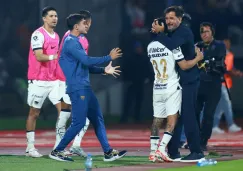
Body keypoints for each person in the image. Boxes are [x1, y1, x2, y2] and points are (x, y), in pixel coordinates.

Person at [49, 13, 127, 162]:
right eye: (84, 23)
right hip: (77, 88)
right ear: (76, 26)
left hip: (85, 87)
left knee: (97, 119)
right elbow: (86, 60)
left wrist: (103, 70)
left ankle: (108, 152)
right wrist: (108, 58)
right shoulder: (71, 42)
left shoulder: (77, 41)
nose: (87, 25)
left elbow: (85, 66)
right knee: (78, 122)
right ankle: (57, 150)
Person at [151, 6, 204, 162]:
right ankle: (173, 152)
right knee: (174, 116)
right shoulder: (171, 33)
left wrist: (160, 33)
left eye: (172, 18)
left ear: (180, 19)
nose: (168, 21)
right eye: (167, 19)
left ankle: (196, 151)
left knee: (188, 115)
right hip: (176, 80)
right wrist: (157, 32)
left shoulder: (184, 32)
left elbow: (172, 45)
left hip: (189, 80)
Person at [54, 10, 92, 157]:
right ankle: (67, 146)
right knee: (82, 117)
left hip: (67, 78)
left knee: (65, 111)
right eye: (86, 23)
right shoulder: (77, 39)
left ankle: (60, 145)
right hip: (72, 81)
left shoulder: (70, 36)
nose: (87, 25)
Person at [26, 6, 60, 158]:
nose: (55, 18)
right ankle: (30, 147)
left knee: (64, 111)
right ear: (44, 18)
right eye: (51, 16)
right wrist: (54, 57)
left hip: (53, 81)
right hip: (38, 80)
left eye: (56, 16)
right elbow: (39, 56)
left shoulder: (57, 35)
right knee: (34, 113)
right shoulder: (37, 35)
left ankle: (59, 147)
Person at [195, 22, 226, 151]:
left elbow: (218, 63)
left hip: (213, 85)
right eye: (202, 32)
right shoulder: (197, 46)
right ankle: (195, 140)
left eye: (207, 31)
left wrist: (203, 60)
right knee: (194, 113)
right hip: (199, 85)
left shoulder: (219, 45)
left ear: (212, 32)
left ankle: (203, 141)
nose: (204, 34)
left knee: (208, 114)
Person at [213, 38, 242, 134]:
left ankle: (214, 125)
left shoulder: (230, 54)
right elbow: (224, 69)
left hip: (228, 83)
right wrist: (235, 73)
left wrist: (235, 71)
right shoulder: (219, 54)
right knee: (227, 103)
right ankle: (231, 124)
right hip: (220, 82)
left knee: (220, 107)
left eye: (227, 44)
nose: (226, 45)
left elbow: (231, 66)